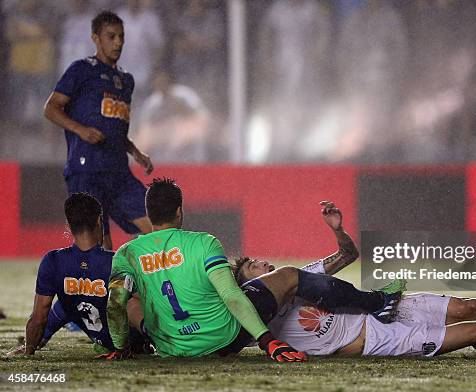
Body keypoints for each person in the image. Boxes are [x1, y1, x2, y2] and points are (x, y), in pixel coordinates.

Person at [234, 201, 476, 357]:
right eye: (251, 265)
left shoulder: (295, 277)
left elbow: (347, 256)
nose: (261, 263)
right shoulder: (253, 317)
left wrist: (339, 229)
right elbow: (229, 341)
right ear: (244, 286)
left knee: (473, 305)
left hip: (387, 308)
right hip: (377, 338)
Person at [106, 179, 402, 360]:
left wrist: (121, 346)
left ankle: (142, 341)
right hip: (223, 337)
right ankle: (379, 302)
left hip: (171, 346)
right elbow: (233, 296)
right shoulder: (202, 243)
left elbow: (115, 304)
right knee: (288, 274)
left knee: (131, 297)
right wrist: (267, 341)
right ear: (180, 211)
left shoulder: (127, 254)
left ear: (148, 215)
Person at [43, 10, 153, 251]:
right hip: (86, 169)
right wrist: (80, 130)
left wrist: (135, 152)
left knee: (156, 225)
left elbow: (115, 127)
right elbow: (51, 109)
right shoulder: (81, 70)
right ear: (95, 38)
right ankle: (112, 286)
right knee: (100, 246)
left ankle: (141, 275)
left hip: (118, 171)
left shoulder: (126, 80)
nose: (118, 42)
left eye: (121, 37)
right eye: (111, 36)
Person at [5, 193, 147, 356]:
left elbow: (39, 318)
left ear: (68, 225)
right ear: (98, 223)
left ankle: (32, 345)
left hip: (95, 333)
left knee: (67, 302)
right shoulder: (116, 261)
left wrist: (29, 349)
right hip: (131, 343)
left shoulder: (53, 261)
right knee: (135, 298)